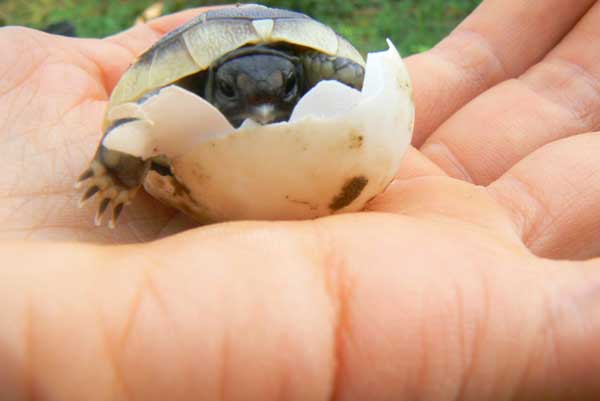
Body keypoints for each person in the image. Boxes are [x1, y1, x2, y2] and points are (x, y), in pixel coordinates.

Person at [0, 0, 599, 399]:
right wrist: (117, 171)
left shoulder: (319, 71)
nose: (262, 107)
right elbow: (139, 122)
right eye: (235, 94)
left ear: (298, 79)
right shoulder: (178, 92)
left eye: (284, 92)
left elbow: (365, 94)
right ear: (214, 85)